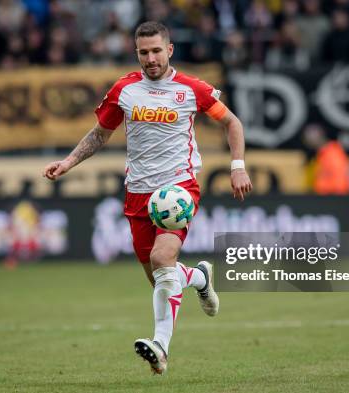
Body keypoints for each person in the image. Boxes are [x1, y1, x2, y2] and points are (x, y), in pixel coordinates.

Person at [42, 21, 252, 374]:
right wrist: (68, 162)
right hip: (138, 194)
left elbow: (232, 123)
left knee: (161, 258)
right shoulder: (125, 90)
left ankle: (160, 347)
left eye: (157, 51)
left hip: (178, 189)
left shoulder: (191, 88)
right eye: (144, 52)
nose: (151, 58)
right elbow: (100, 134)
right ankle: (199, 277)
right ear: (136, 53)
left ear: (170, 50)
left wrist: (238, 166)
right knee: (160, 278)